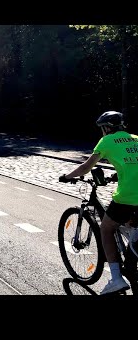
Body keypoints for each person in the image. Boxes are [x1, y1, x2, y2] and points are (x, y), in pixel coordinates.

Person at [59, 110, 138, 295]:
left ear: (107, 128)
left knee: (106, 229)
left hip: (128, 197)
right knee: (130, 223)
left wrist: (67, 176)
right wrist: (116, 175)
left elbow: (86, 167)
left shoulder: (107, 141)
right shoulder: (135, 138)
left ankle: (116, 279)